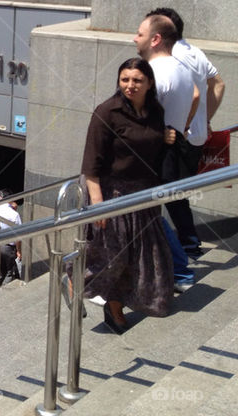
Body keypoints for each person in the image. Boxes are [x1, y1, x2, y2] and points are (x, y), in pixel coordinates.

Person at [80, 57, 176, 333]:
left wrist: (165, 136)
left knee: (150, 256)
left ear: (149, 83)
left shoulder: (155, 111)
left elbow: (153, 143)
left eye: (137, 80)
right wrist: (99, 206)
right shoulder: (106, 113)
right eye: (125, 79)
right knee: (114, 257)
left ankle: (118, 303)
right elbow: (91, 166)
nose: (130, 85)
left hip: (144, 193)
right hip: (112, 194)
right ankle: (82, 282)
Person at [134, 14, 202, 255]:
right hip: (172, 148)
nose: (134, 38)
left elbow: (136, 118)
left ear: (155, 39)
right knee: (172, 200)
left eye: (140, 34)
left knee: (145, 211)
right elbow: (195, 95)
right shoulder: (181, 67)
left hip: (151, 153)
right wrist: (183, 125)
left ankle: (179, 265)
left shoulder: (153, 73)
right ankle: (189, 248)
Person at [0, 195, 22, 285]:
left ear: (1, 197)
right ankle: (3, 291)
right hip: (8, 247)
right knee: (9, 272)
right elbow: (18, 235)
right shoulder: (14, 214)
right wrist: (19, 251)